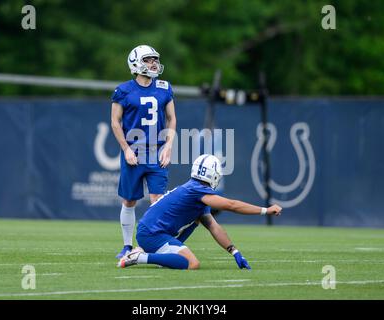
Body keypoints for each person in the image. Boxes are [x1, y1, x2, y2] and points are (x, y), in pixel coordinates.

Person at [117, 154, 282, 270]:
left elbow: (213, 226)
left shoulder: (194, 190)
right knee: (192, 263)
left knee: (198, 219)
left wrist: (235, 252)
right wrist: (265, 210)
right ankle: (139, 257)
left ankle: (154, 254)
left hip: (152, 231)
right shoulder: (197, 191)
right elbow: (232, 205)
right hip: (152, 234)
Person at [111, 45, 177, 259]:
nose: (153, 64)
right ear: (136, 63)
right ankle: (127, 245)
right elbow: (115, 122)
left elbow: (171, 118)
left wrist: (168, 145)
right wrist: (126, 149)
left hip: (156, 151)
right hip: (134, 152)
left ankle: (153, 244)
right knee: (129, 200)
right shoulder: (123, 90)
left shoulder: (164, 87)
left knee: (157, 201)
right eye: (148, 60)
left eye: (155, 60)